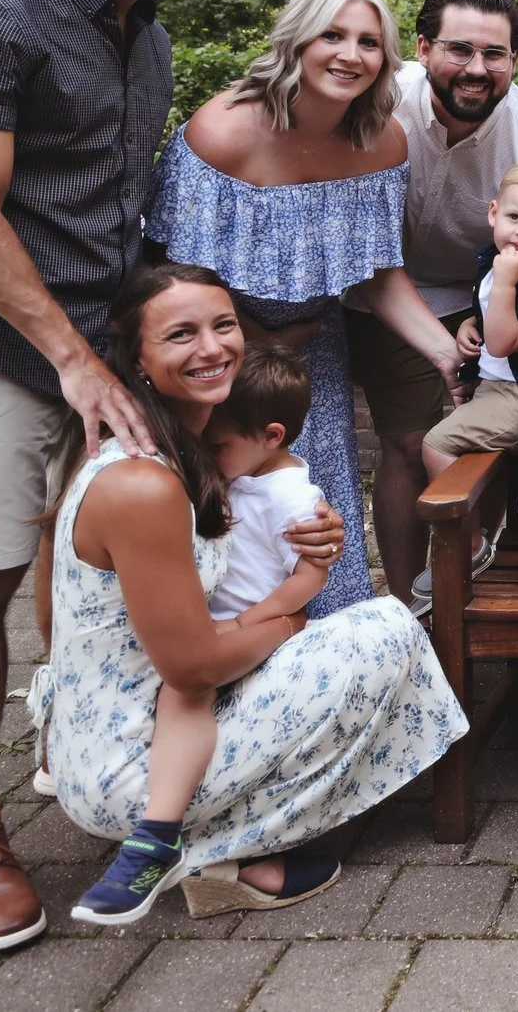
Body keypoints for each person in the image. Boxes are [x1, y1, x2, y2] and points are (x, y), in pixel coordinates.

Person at [0, 0, 312, 953]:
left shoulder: (152, 44)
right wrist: (74, 362)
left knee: (87, 574)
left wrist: (178, 341)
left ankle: (80, 750)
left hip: (110, 351)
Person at [31, 265, 463, 927]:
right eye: (181, 333)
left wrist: (311, 535)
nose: (211, 347)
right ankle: (211, 850)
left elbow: (52, 613)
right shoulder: (144, 483)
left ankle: (206, 840)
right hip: (130, 765)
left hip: (107, 729)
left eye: (222, 324)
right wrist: (288, 618)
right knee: (386, 631)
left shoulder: (176, 448)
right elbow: (195, 668)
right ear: (137, 359)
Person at [147, 0, 462, 615]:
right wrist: (252, 341)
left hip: (310, 364)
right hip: (215, 367)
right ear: (297, 40)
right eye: (333, 35)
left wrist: (446, 351)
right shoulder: (223, 131)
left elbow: (376, 272)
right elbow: (174, 279)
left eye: (369, 42)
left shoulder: (383, 142)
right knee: (233, 536)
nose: (351, 54)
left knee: (316, 529)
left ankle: (323, 667)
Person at [351, 0, 518, 605]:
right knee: (406, 443)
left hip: (483, 289)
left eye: (495, 54)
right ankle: (403, 605)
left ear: (514, 60)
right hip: (379, 284)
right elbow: (366, 255)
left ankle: (477, 558)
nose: (477, 69)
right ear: (423, 49)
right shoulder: (377, 104)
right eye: (460, 50)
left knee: (486, 428)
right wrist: (440, 346)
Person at [70, 346, 329, 924]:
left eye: (218, 446)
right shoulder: (239, 470)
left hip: (251, 628)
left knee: (185, 689)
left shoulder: (293, 496)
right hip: (210, 622)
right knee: (184, 685)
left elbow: (311, 576)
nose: (208, 456)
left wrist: (250, 622)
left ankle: (157, 836)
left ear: (271, 436)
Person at [414, 160, 518, 595]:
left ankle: (469, 545)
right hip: (495, 388)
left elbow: (505, 341)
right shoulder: (498, 260)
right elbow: (490, 319)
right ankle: (481, 532)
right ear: (493, 213)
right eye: (514, 218)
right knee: (473, 457)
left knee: (436, 444)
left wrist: (506, 285)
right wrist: (471, 323)